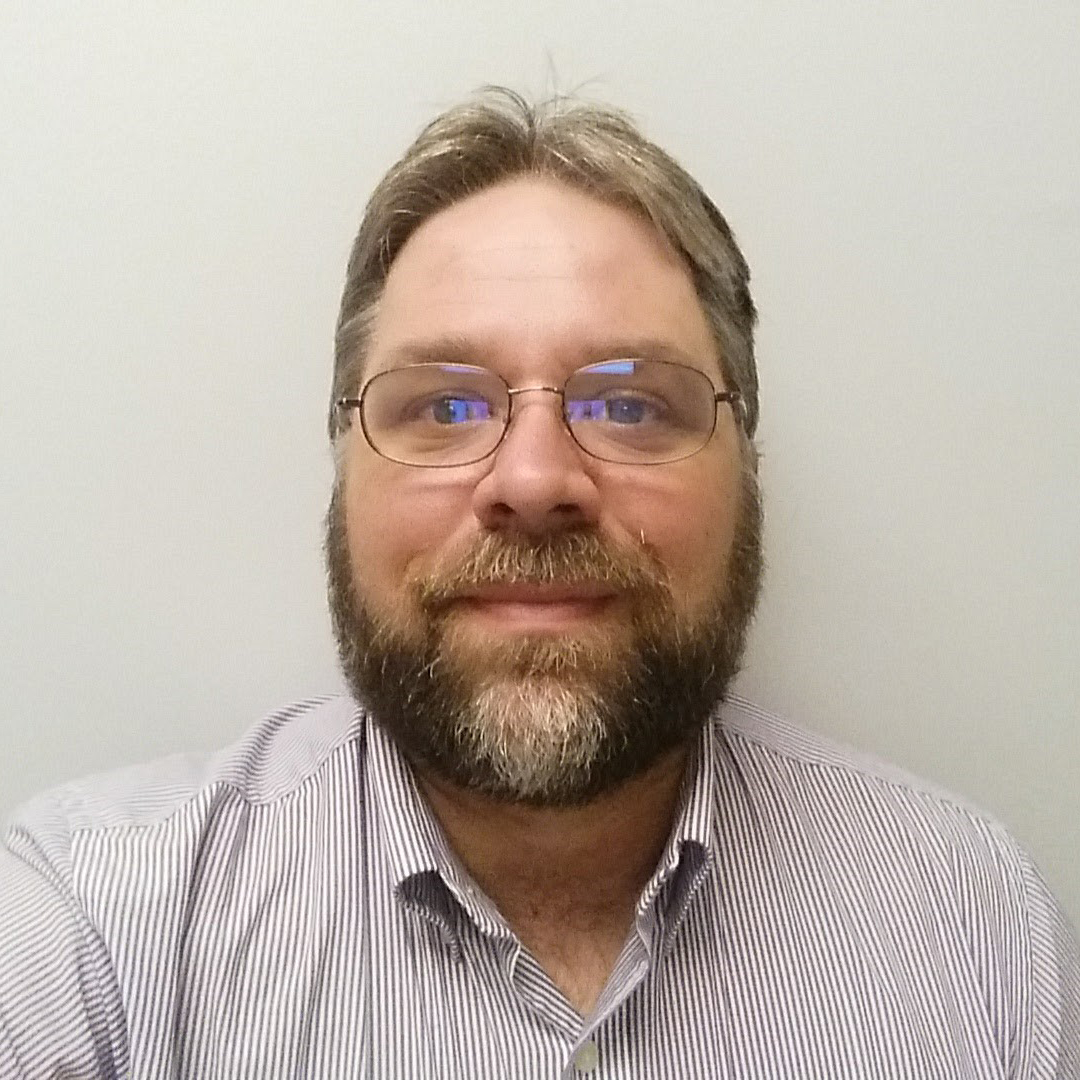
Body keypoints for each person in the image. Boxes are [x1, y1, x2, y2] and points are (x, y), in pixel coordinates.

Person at [1, 88, 1077, 1079]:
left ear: (745, 465)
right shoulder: (90, 934)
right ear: (344, 463)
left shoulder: (971, 919)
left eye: (630, 405)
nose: (532, 481)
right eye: (446, 406)